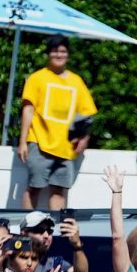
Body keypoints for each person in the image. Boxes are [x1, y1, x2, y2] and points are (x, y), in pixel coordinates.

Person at [17, 35, 97, 210]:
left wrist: (84, 139)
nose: (59, 55)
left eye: (63, 51)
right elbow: (28, 110)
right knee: (34, 187)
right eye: (55, 51)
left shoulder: (76, 81)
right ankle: (27, 229)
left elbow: (87, 115)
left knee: (59, 190)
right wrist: (23, 141)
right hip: (38, 142)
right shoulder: (37, 78)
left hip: (65, 147)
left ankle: (56, 231)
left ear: (68, 54)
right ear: (48, 53)